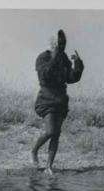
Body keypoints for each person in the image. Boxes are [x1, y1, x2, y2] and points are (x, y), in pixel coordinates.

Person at [32, 29, 84, 175]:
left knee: (56, 134)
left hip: (60, 101)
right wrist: (55, 57)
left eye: (62, 44)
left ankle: (49, 167)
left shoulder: (64, 58)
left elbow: (71, 78)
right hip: (46, 100)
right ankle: (34, 150)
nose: (61, 46)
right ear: (52, 44)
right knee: (50, 131)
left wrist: (77, 64)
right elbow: (45, 76)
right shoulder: (42, 57)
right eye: (58, 44)